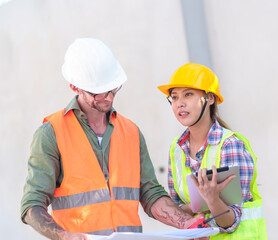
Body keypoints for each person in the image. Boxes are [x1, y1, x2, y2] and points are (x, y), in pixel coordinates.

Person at [20, 38, 204, 240]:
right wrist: (64, 236)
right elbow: (32, 205)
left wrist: (188, 224)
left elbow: (150, 193)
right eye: (98, 93)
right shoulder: (51, 134)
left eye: (112, 88)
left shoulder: (131, 131)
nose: (108, 97)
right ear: (74, 87)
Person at [157, 63, 267, 239]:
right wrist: (192, 211)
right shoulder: (176, 150)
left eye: (188, 94)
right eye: (175, 97)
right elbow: (180, 209)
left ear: (210, 98)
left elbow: (231, 221)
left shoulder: (230, 145)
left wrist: (212, 201)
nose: (180, 104)